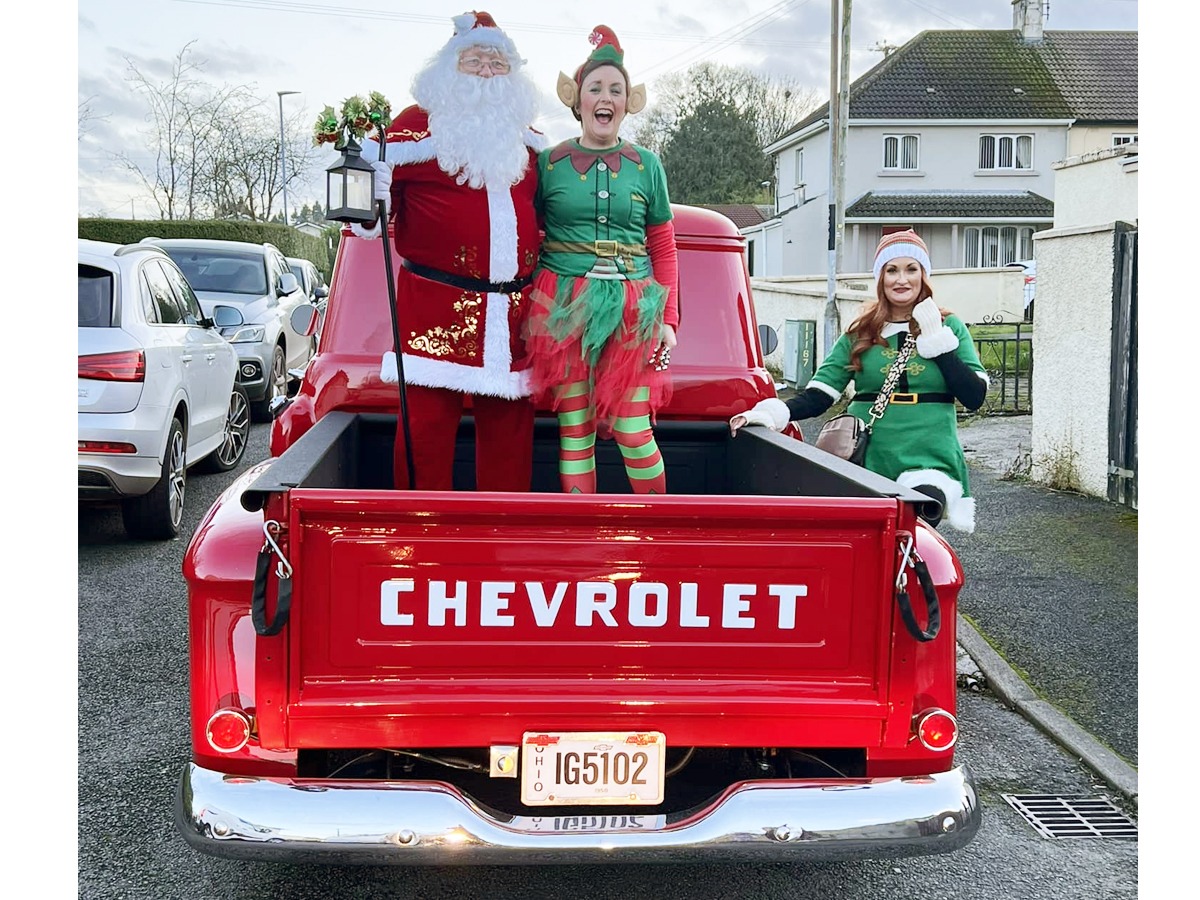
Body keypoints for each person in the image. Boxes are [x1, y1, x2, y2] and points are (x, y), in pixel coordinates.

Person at [350, 11, 545, 491]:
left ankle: (499, 541)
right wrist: (367, 185)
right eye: (474, 58)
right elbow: (363, 225)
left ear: (513, 74)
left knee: (510, 444)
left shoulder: (529, 144)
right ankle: (419, 539)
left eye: (496, 62)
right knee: (425, 438)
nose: (485, 70)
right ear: (448, 67)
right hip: (433, 316)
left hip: (512, 320)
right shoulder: (410, 129)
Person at [730, 230, 988, 532]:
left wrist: (937, 341)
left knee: (916, 526)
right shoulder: (861, 331)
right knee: (871, 540)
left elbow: (974, 396)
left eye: (911, 269)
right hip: (870, 451)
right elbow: (819, 395)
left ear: (923, 275)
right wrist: (768, 414)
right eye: (891, 270)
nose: (901, 280)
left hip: (930, 452)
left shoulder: (949, 326)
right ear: (880, 278)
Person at [522, 26, 680, 495]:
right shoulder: (546, 164)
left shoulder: (647, 165)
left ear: (628, 101)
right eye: (596, 88)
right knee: (576, 433)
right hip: (562, 307)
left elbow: (664, 247)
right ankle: (583, 539)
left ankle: (656, 534)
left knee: (634, 432)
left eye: (616, 89)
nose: (605, 97)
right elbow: (524, 237)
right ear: (578, 100)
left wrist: (670, 317)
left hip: (634, 309)